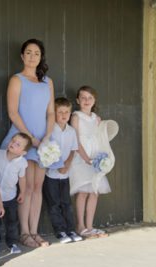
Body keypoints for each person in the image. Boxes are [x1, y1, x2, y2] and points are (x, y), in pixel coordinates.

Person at [0, 39, 55, 248]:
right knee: (25, 186)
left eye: (37, 53)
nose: (33, 57)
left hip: (42, 141)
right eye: (29, 53)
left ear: (41, 57)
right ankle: (24, 233)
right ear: (22, 56)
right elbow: (13, 112)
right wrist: (30, 138)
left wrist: (47, 138)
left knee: (37, 187)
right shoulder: (17, 79)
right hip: (23, 139)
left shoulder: (47, 82)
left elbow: (50, 112)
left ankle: (34, 231)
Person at [69, 86, 115, 239]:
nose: (86, 101)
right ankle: (80, 226)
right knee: (82, 192)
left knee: (94, 192)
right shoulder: (75, 116)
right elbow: (75, 140)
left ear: (94, 101)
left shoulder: (96, 118)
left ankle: (90, 226)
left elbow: (101, 139)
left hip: (95, 158)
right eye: (83, 97)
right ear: (77, 100)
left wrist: (100, 159)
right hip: (81, 158)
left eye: (90, 98)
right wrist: (85, 158)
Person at [42, 98, 83, 244]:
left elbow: (73, 150)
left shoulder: (71, 131)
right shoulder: (50, 129)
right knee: (54, 204)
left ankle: (70, 229)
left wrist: (66, 164)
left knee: (66, 203)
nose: (64, 115)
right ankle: (60, 231)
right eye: (60, 112)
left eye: (66, 112)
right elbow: (47, 149)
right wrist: (58, 164)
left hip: (65, 173)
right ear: (54, 113)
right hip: (51, 174)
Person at [0, 132, 32, 253]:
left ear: (23, 152)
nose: (13, 144)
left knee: (12, 222)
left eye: (18, 144)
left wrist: (22, 192)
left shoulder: (22, 163)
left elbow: (22, 178)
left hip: (10, 197)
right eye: (13, 141)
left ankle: (12, 243)